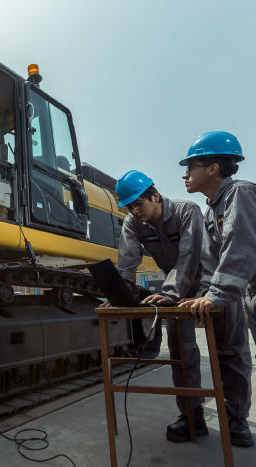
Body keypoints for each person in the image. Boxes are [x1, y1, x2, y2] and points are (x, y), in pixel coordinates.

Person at [101, 170, 207, 442]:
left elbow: (189, 257)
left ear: (155, 195)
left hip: (209, 286)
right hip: (177, 287)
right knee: (182, 353)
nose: (135, 211)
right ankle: (191, 415)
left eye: (139, 203)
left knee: (226, 352)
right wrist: (120, 295)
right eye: (129, 206)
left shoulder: (187, 211)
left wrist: (170, 293)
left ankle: (235, 417)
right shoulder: (133, 223)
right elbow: (127, 262)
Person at [179, 131, 254, 447]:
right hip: (245, 289)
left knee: (234, 353)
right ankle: (236, 419)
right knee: (230, 352)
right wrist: (205, 296)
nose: (185, 174)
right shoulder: (212, 210)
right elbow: (212, 264)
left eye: (191, 166)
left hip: (243, 285)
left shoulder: (241, 193)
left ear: (212, 168)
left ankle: (237, 419)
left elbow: (242, 246)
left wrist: (218, 296)